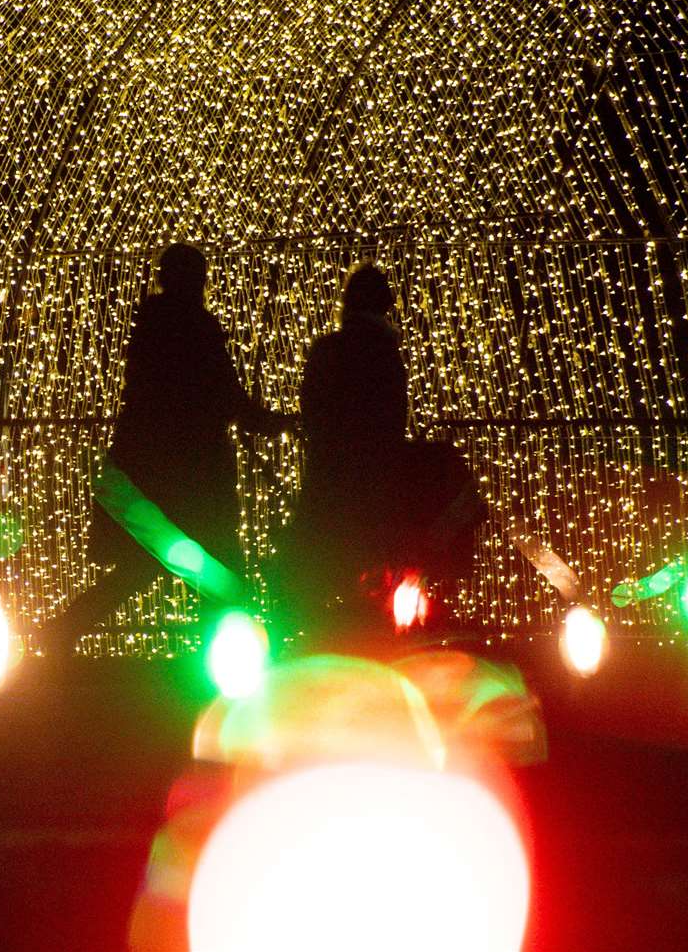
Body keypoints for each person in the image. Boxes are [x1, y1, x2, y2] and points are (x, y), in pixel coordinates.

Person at [35, 244, 279, 659]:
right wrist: (266, 421)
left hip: (150, 469)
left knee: (147, 562)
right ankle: (226, 653)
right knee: (214, 560)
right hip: (195, 470)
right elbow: (222, 391)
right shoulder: (197, 327)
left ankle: (65, 628)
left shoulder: (149, 327)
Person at [282, 262, 411, 639]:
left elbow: (312, 407)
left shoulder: (328, 349)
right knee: (371, 567)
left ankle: (310, 640)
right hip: (375, 478)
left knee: (314, 567)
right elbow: (394, 417)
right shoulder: (388, 355)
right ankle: (373, 640)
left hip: (330, 473)